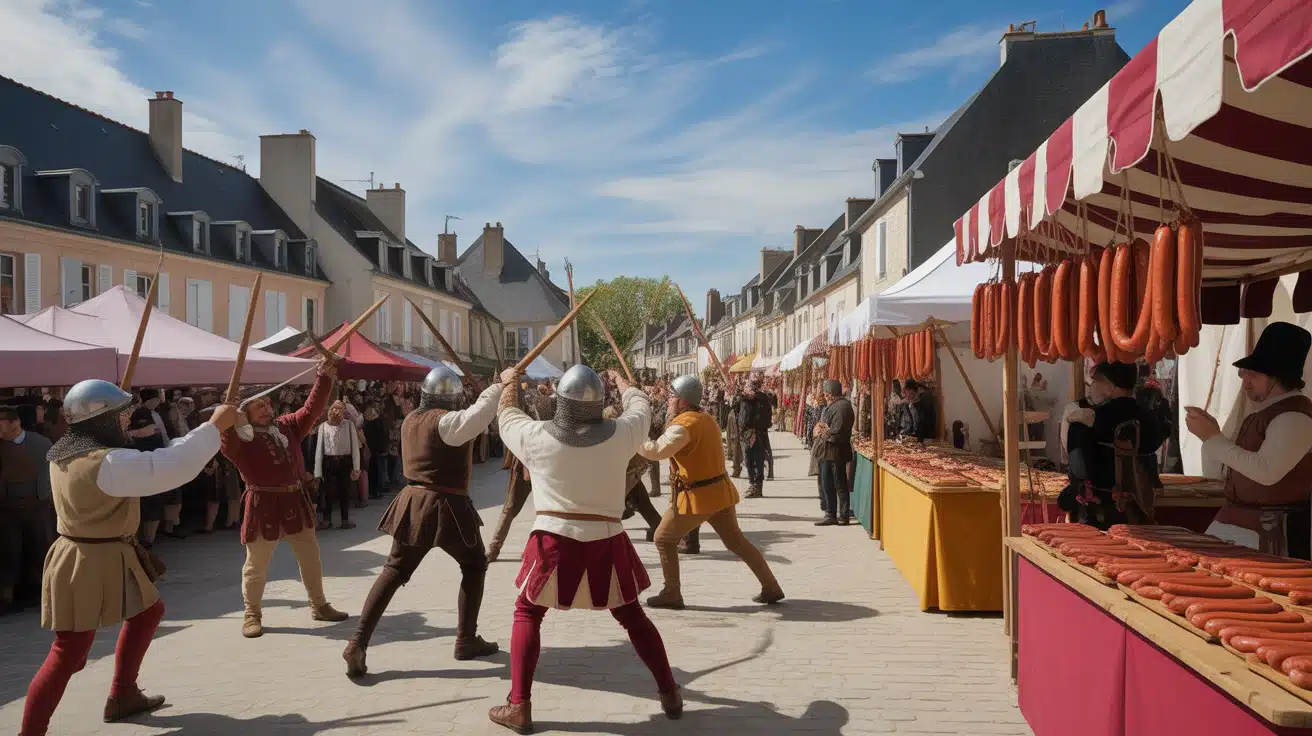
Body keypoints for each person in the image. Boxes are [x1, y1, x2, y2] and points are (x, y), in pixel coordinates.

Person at [20, 380, 237, 735]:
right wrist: (214, 427)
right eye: (121, 417)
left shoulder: (66, 450)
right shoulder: (106, 462)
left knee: (148, 612)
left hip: (100, 551)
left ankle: (123, 693)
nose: (127, 423)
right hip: (89, 558)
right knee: (69, 653)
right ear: (101, 420)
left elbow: (160, 458)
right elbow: (170, 466)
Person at [488, 366, 680, 733]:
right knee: (633, 617)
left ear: (560, 401)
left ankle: (519, 705)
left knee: (528, 614)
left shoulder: (536, 435)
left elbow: (507, 416)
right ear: (598, 403)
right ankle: (669, 693)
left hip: (552, 538)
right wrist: (624, 384)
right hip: (605, 538)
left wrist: (510, 381)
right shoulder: (622, 434)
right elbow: (639, 406)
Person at [344, 365, 502, 677]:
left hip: (414, 503)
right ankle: (466, 639)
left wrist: (493, 390)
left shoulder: (411, 420)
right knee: (473, 565)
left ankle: (358, 642)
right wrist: (499, 387)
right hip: (448, 508)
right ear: (453, 398)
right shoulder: (447, 421)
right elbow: (478, 416)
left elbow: (472, 416)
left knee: (394, 570)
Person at [219, 358, 349, 638]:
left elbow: (311, 411)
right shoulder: (239, 440)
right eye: (260, 406)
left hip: (294, 502)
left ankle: (319, 605)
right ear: (245, 413)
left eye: (268, 404)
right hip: (262, 504)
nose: (267, 409)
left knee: (311, 557)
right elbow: (227, 441)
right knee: (256, 565)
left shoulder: (286, 426)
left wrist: (323, 378)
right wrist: (229, 416)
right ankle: (251, 614)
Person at [640, 375, 785, 610]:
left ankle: (671, 592)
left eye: (672, 397)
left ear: (683, 401)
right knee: (736, 541)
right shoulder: (706, 418)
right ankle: (771, 586)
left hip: (698, 497)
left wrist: (634, 440)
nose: (669, 401)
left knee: (663, 538)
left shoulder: (684, 425)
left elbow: (658, 450)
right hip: (718, 492)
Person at [1187, 322, 1312, 558]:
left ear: (1276, 376)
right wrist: (1212, 437)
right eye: (1244, 375)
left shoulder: (1295, 416)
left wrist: (1213, 438)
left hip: (1269, 533)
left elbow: (1267, 472)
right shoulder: (1268, 412)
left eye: (1253, 375)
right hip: (1241, 526)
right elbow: (1219, 474)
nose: (1245, 383)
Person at [1058, 362, 1164, 530]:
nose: (1091, 387)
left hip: (1100, 511)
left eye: (1095, 381)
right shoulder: (1150, 418)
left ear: (1109, 386)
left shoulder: (1086, 420)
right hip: (1141, 507)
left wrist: (1072, 494)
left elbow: (1080, 470)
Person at [486, 379, 556, 562]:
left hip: (539, 458)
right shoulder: (547, 401)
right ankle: (495, 547)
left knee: (543, 510)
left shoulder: (535, 403)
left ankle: (498, 548)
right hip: (540, 458)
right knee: (516, 508)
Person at [1, 406, 53, 615]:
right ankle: (6, 596)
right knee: (8, 551)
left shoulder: (41, 443)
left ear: (15, 423)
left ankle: (40, 592)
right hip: (7, 508)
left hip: (36, 506)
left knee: (39, 547)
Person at [314, 401, 361, 531]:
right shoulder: (323, 426)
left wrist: (356, 467)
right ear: (330, 410)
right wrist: (317, 472)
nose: (337, 411)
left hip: (344, 461)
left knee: (344, 490)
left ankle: (345, 519)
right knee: (326, 491)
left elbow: (355, 447)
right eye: (335, 408)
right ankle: (326, 519)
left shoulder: (349, 425)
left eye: (340, 409)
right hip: (328, 461)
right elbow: (319, 450)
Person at [815, 379, 855, 527]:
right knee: (829, 483)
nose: (825, 396)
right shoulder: (839, 406)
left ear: (831, 393)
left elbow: (836, 433)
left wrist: (823, 432)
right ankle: (832, 514)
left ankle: (841, 515)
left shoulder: (841, 407)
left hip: (835, 452)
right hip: (831, 452)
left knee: (838, 484)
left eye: (826, 393)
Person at [738, 375, 773, 498]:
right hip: (749, 433)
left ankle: (756, 486)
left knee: (756, 460)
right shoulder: (747, 399)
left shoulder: (759, 400)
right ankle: (753, 484)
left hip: (755, 434)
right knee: (749, 460)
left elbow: (760, 419)